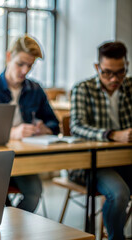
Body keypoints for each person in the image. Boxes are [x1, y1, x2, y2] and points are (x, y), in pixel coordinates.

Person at [0, 35, 60, 213]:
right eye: (20, 64)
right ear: (8, 57)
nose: (25, 70)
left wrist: (45, 128)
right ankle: (9, 226)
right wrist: (12, 132)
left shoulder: (35, 89)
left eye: (30, 65)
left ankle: (14, 225)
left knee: (34, 192)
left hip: (24, 159)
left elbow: (55, 124)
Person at [69, 41, 131, 240]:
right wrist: (112, 134)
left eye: (120, 72)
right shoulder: (83, 89)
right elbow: (76, 126)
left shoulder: (129, 87)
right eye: (107, 73)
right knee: (119, 194)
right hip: (92, 165)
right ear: (97, 67)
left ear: (127, 66)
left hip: (125, 160)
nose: (114, 79)